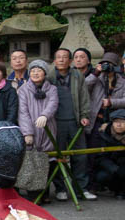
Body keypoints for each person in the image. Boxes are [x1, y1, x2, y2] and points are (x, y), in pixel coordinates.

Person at [52, 48, 95, 201]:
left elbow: (84, 97)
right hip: (56, 123)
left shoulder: (77, 75)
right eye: (58, 57)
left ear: (70, 61)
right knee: (58, 155)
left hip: (75, 121)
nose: (62, 60)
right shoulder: (50, 76)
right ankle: (60, 188)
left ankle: (80, 188)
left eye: (65, 57)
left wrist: (84, 115)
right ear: (54, 61)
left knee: (80, 156)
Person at [87, 51, 125, 131]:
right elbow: (83, 88)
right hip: (96, 119)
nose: (106, 66)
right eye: (104, 63)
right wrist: (95, 74)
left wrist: (111, 102)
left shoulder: (122, 82)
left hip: (114, 120)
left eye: (109, 64)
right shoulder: (96, 78)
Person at [91, 108, 125, 197]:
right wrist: (114, 169)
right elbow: (100, 158)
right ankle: (115, 188)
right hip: (110, 168)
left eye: (122, 121)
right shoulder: (104, 134)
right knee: (103, 176)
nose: (119, 124)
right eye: (116, 121)